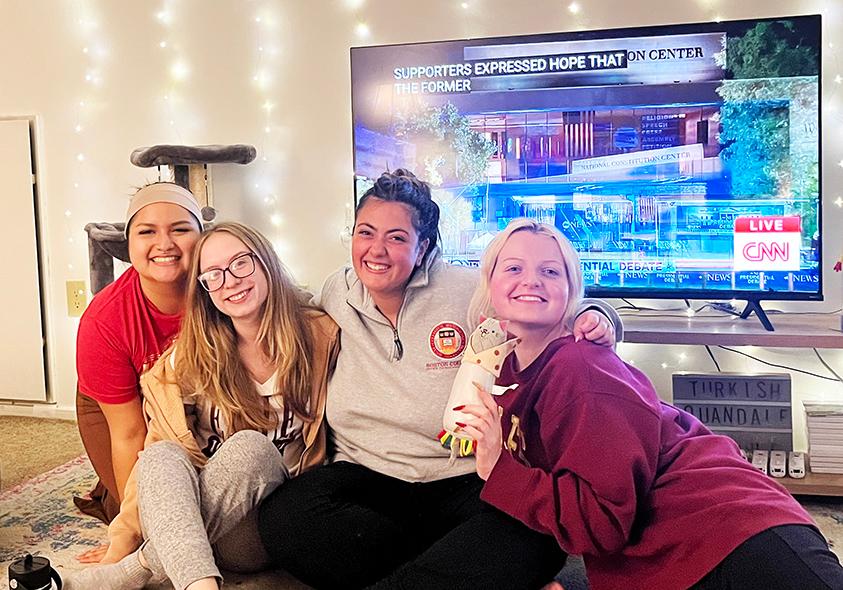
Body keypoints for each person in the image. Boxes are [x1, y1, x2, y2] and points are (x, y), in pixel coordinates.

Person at [257, 169, 621, 589]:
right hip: (368, 478)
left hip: (464, 478)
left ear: (423, 246)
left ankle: (449, 566)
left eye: (396, 237)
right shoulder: (338, 291)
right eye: (365, 232)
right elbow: (284, 310)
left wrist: (600, 318)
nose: (377, 250)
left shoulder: (468, 289)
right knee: (284, 519)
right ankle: (457, 568)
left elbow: (553, 309)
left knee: (534, 534)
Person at [459, 218, 843, 590]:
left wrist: (500, 470)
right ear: (489, 283)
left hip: (734, 536)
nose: (531, 280)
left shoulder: (580, 364)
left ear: (571, 291)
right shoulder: (503, 369)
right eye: (513, 267)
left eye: (551, 271)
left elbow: (602, 522)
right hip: (674, 556)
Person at [66, 222, 339, 590]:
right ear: (205, 290)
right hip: (191, 521)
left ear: (266, 263)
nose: (230, 281)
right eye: (213, 275)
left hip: (264, 527)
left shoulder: (321, 337)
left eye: (241, 264)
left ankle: (136, 571)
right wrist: (123, 537)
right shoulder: (189, 357)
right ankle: (200, 584)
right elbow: (155, 454)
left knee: (251, 449)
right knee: (160, 455)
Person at [75, 182, 203, 562]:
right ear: (128, 244)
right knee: (146, 518)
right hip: (118, 410)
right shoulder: (105, 320)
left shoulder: (222, 288)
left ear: (202, 236)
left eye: (180, 229)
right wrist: (133, 526)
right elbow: (130, 432)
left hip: (189, 403)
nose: (164, 243)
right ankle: (106, 496)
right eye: (147, 231)